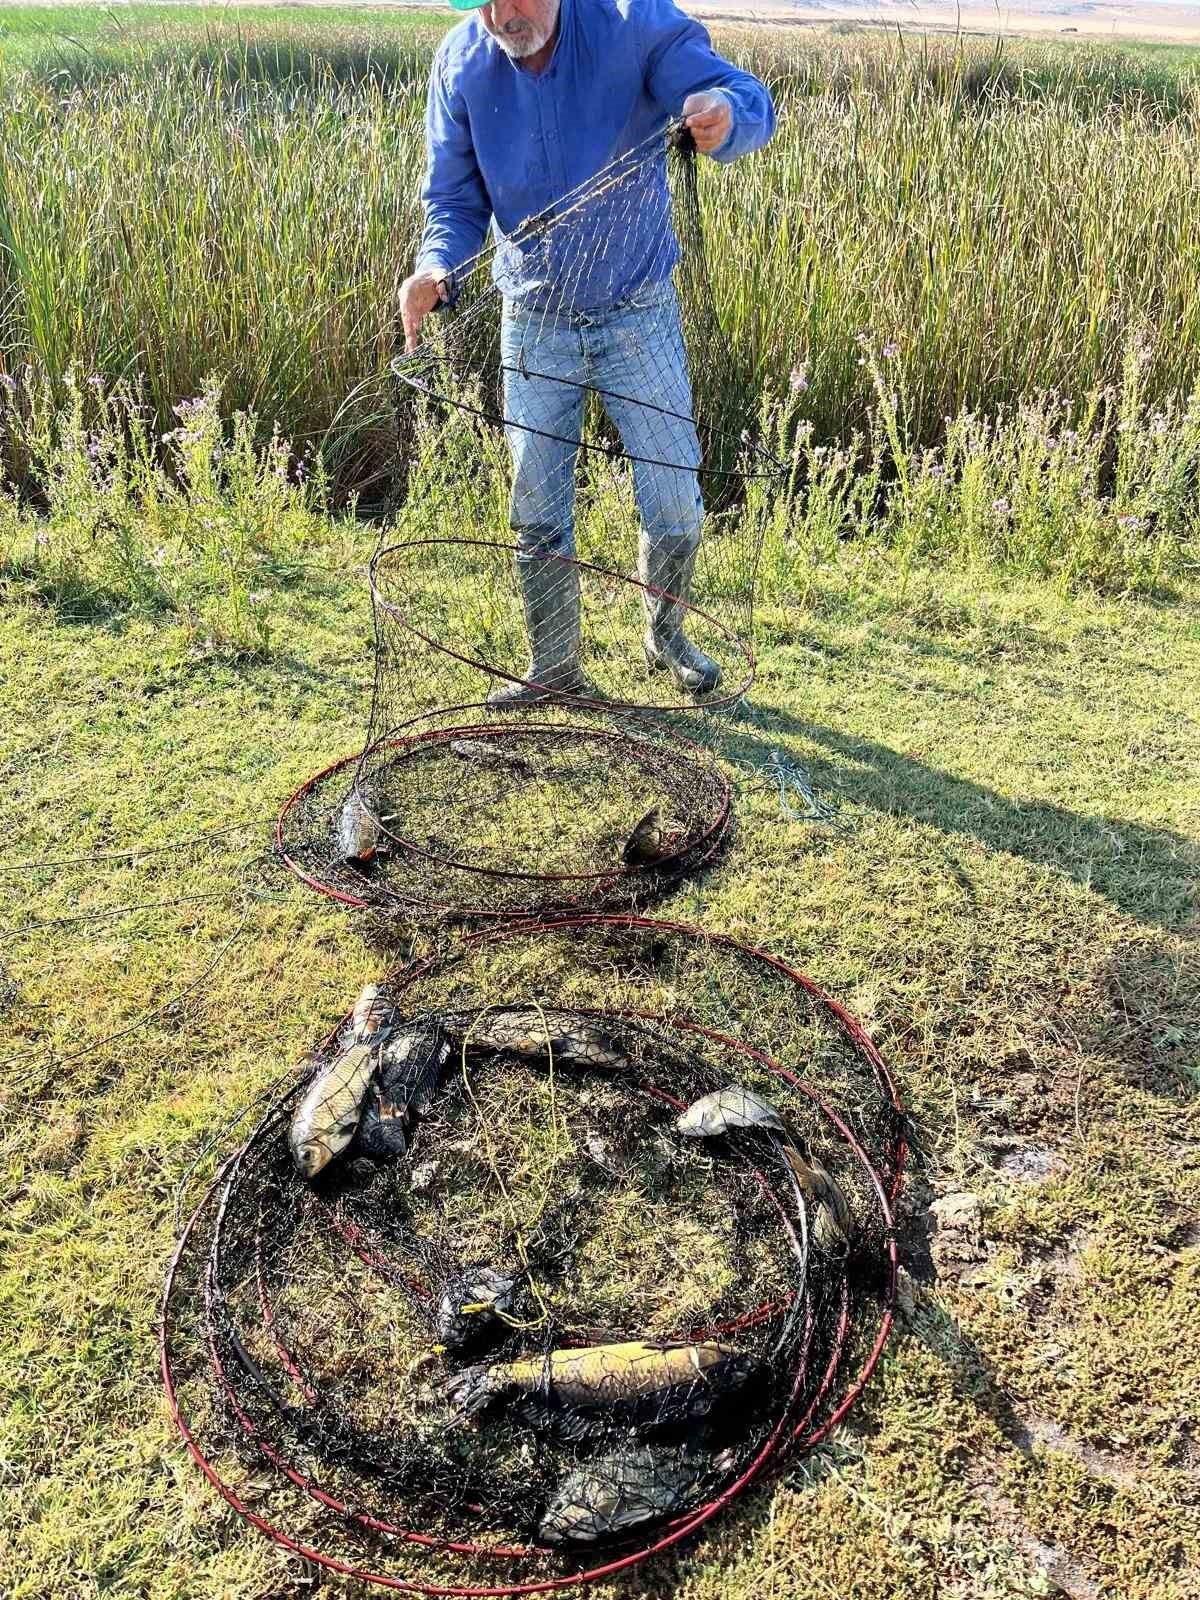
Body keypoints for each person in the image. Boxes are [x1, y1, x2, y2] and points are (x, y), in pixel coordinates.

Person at [398, 0, 775, 706]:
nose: (507, 13)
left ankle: (666, 637)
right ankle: (555, 667)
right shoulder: (459, 61)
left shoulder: (635, 23)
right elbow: (453, 200)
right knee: (537, 505)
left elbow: (748, 100)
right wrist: (436, 266)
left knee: (674, 503)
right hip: (533, 318)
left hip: (638, 311)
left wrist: (722, 114)